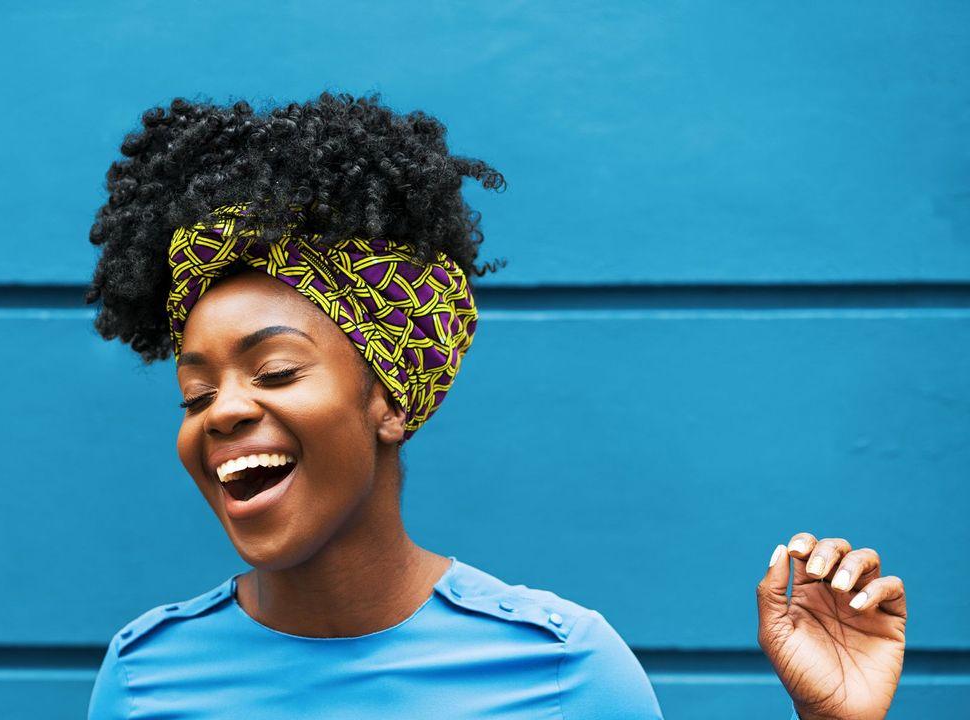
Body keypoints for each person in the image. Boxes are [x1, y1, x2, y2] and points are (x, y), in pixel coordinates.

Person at [83, 92, 908, 719]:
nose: (221, 412)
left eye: (275, 371)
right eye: (196, 391)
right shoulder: (143, 677)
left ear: (390, 400)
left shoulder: (564, 668)